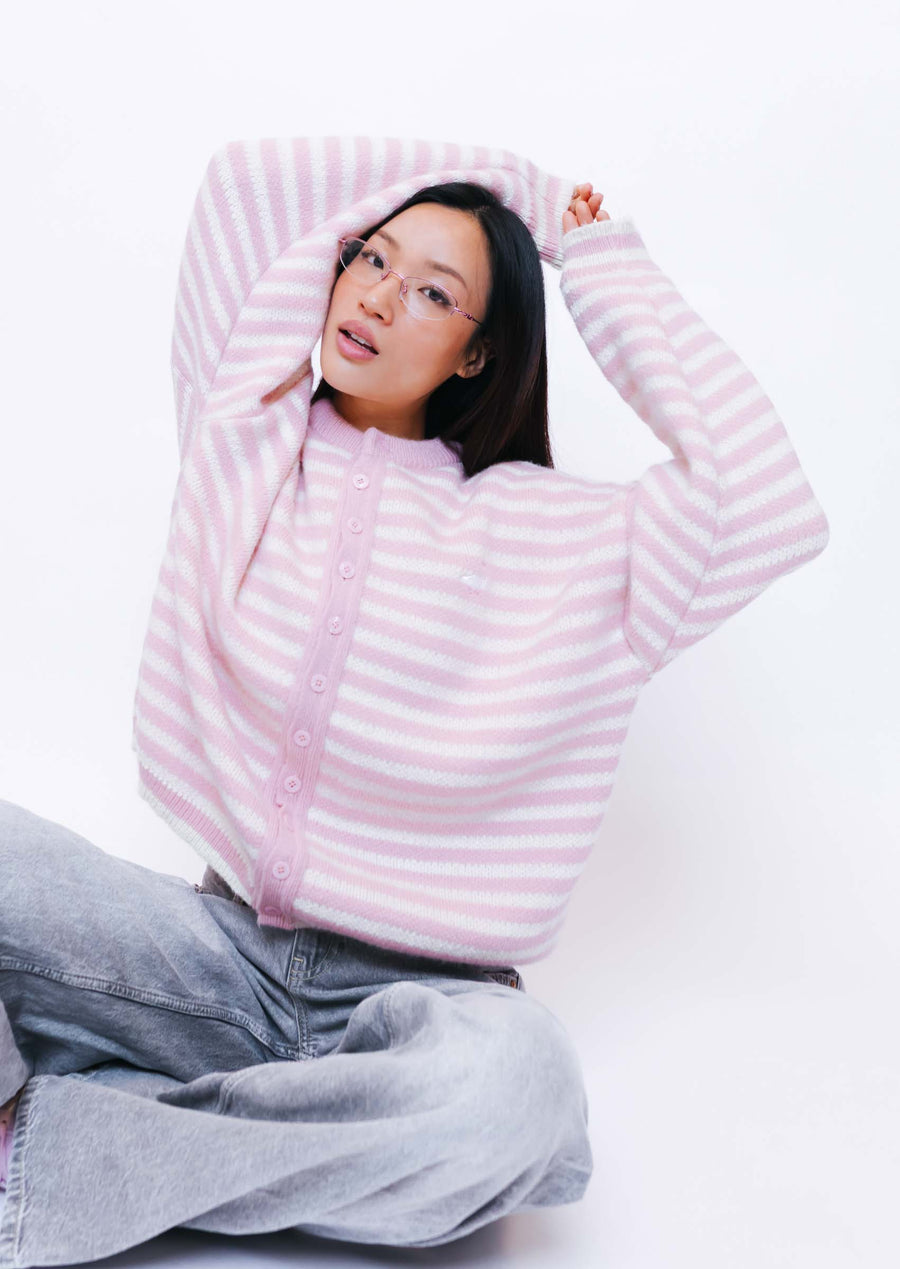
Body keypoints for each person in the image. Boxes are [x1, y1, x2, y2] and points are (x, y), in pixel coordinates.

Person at [0, 137, 828, 1266]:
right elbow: (244, 185)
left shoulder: (569, 543)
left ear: (478, 351)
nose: (382, 296)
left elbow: (761, 492)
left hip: (430, 1010)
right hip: (211, 960)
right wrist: (507, 183)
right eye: (372, 258)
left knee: (517, 1093)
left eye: (435, 292)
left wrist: (584, 247)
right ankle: (313, 1145)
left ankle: (48, 1154)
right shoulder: (242, 436)